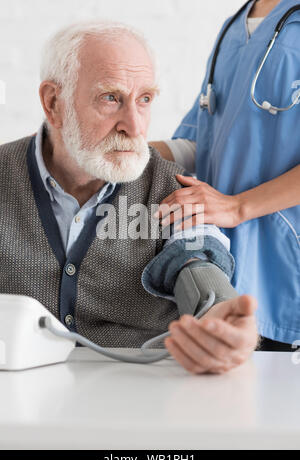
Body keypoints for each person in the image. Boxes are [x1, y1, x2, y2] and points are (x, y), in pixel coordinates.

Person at [0, 21, 258, 374]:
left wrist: (221, 320)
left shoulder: (171, 186)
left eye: (145, 100)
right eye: (111, 98)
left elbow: (197, 261)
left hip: (137, 398)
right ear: (53, 102)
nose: (135, 127)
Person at [151, 0, 300, 351]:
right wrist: (114, 151)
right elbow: (200, 143)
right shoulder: (233, 28)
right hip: (225, 266)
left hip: (285, 266)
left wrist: (236, 207)